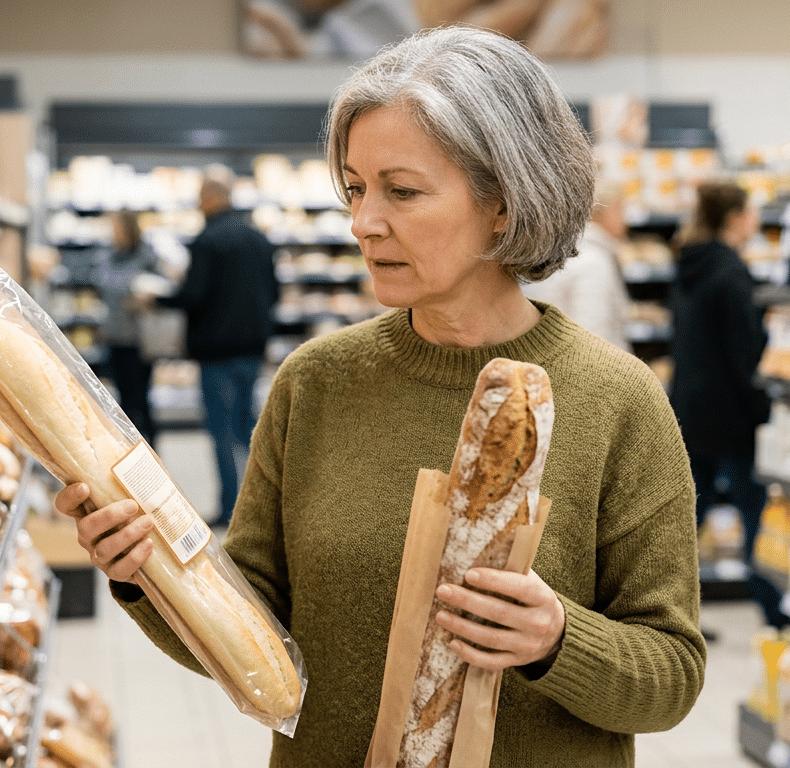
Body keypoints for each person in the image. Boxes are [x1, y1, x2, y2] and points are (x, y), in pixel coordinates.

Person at [58, 26, 705, 767]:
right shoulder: (315, 383)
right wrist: (147, 574)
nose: (364, 223)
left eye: (402, 191)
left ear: (504, 201)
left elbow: (672, 675)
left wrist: (556, 639)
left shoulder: (618, 401)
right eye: (356, 189)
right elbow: (250, 635)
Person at [668, 181, 788, 630]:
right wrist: (764, 410)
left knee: (684, 522)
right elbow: (746, 354)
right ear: (735, 217)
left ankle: (666, 614)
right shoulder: (731, 271)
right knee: (757, 514)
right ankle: (777, 616)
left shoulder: (688, 264)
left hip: (689, 411)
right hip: (733, 416)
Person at [156, 176, 279, 527]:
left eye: (200, 196)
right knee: (249, 428)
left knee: (222, 431)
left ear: (212, 198)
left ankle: (230, 509)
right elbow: (274, 292)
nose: (197, 203)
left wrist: (159, 299)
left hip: (216, 352)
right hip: (252, 348)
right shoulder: (258, 238)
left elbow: (194, 296)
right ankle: (262, 507)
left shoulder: (207, 241)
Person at [522, 184, 632, 350]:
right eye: (619, 210)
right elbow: (594, 336)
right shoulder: (592, 263)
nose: (625, 221)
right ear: (597, 212)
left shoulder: (568, 250)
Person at [91, 210, 162, 446]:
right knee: (122, 400)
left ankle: (149, 448)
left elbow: (161, 289)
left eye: (117, 227)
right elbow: (100, 284)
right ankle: (128, 448)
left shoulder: (146, 256)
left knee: (140, 399)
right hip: (114, 336)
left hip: (140, 340)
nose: (114, 232)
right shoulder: (108, 256)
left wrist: (146, 298)